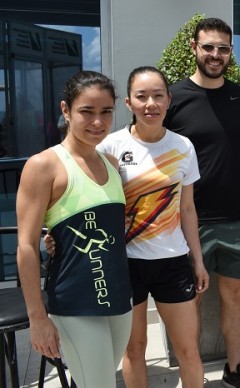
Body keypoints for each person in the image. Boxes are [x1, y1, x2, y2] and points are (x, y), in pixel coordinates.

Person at [16, 71, 133, 388]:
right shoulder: (44, 166)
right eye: (87, 111)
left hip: (119, 297)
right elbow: (26, 246)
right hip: (76, 301)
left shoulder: (111, 162)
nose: (98, 122)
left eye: (106, 111)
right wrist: (37, 318)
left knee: (99, 380)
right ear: (66, 110)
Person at [163, 17, 240, 387]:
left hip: (235, 218)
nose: (215, 54)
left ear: (230, 52)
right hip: (189, 221)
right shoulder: (173, 98)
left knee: (235, 295)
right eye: (208, 47)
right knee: (191, 299)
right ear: (194, 48)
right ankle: (192, 372)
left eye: (223, 48)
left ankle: (235, 368)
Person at [96, 66, 209, 388]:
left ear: (169, 100)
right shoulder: (110, 148)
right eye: (141, 96)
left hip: (173, 262)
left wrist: (197, 260)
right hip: (126, 263)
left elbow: (187, 209)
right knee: (133, 349)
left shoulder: (183, 147)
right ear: (128, 103)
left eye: (158, 95)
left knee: (188, 350)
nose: (151, 104)